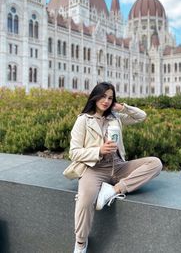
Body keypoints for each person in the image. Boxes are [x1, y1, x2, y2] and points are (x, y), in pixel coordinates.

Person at [66, 82, 163, 253]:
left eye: (110, 98)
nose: (106, 100)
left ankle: (114, 190)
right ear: (95, 97)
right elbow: (74, 152)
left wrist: (123, 107)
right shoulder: (83, 120)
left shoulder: (115, 117)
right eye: (103, 96)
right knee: (85, 201)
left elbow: (141, 116)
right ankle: (80, 243)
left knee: (155, 163)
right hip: (94, 169)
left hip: (118, 166)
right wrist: (99, 150)